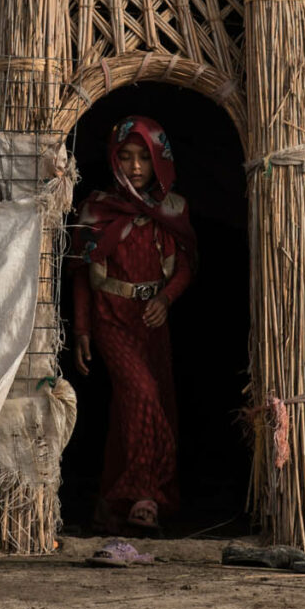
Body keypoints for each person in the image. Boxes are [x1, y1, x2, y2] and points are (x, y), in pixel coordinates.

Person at [69, 116, 196, 534]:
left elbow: (183, 267)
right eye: (126, 156)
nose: (136, 165)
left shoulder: (172, 209)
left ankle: (110, 501)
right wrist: (83, 330)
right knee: (144, 395)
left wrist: (165, 298)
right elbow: (83, 276)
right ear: (113, 158)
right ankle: (146, 495)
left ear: (160, 159)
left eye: (145, 156)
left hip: (152, 321)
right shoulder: (96, 209)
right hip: (112, 320)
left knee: (134, 407)